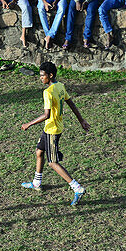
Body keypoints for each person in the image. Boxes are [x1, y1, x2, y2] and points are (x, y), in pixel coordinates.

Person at [20, 62, 90, 204]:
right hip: (51, 128)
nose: (40, 78)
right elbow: (71, 103)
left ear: (50, 75)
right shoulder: (60, 86)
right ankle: (37, 182)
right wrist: (81, 120)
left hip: (52, 130)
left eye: (42, 76)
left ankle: (77, 188)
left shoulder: (48, 92)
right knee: (39, 152)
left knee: (52, 163)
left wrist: (29, 124)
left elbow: (46, 115)